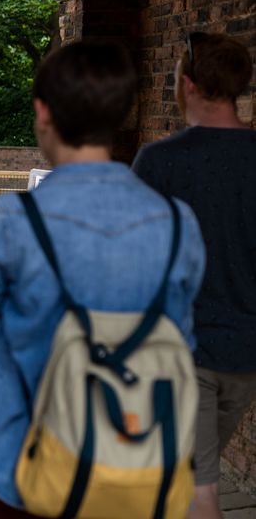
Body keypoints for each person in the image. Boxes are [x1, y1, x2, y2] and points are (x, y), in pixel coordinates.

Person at [0, 41, 206, 517]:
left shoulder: (12, 218)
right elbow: (181, 341)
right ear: (122, 117)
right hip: (136, 457)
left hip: (22, 458)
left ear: (43, 112)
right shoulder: (178, 222)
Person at [132, 32, 255, 519]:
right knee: (195, 475)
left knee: (197, 492)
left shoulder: (160, 162)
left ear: (186, 84)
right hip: (246, 353)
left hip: (180, 353)